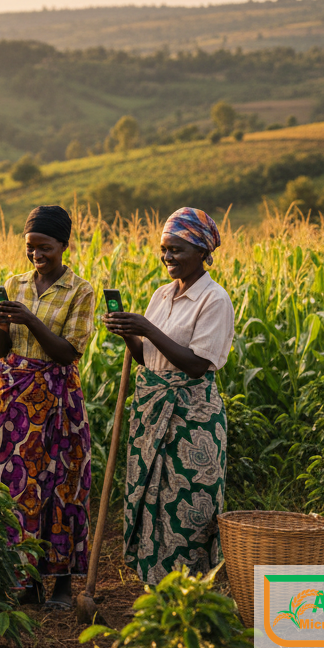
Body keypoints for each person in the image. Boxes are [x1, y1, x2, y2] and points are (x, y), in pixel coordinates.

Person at [104, 207, 235, 585]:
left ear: (202, 251)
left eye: (176, 250)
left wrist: (147, 327)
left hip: (193, 415)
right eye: (164, 249)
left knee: (190, 504)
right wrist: (129, 332)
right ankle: (154, 586)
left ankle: (190, 590)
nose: (167, 258)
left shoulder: (214, 300)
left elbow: (197, 365)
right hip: (153, 407)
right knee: (152, 498)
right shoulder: (162, 295)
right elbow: (147, 357)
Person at [0, 205, 97, 610]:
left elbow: (68, 353)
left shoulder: (80, 291)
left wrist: (30, 319)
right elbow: (1, 350)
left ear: (63, 245)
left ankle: (64, 584)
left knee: (62, 485)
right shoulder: (13, 284)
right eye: (30, 247)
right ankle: (27, 582)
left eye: (44, 247)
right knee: (17, 487)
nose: (36, 255)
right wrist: (2, 326)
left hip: (58, 402)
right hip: (16, 403)